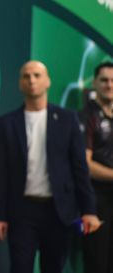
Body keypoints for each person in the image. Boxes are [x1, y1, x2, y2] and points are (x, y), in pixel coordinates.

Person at [0, 60, 101, 273]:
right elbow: (0, 173)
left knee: (53, 268)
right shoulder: (7, 123)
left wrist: (89, 210)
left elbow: (80, 169)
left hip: (58, 211)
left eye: (37, 75)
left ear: (48, 81)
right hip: (21, 212)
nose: (31, 80)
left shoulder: (67, 119)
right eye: (26, 76)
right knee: (20, 268)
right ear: (20, 83)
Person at [81, 61, 113, 273]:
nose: (109, 85)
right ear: (95, 83)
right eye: (104, 80)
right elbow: (86, 165)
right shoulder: (86, 116)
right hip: (96, 203)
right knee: (98, 264)